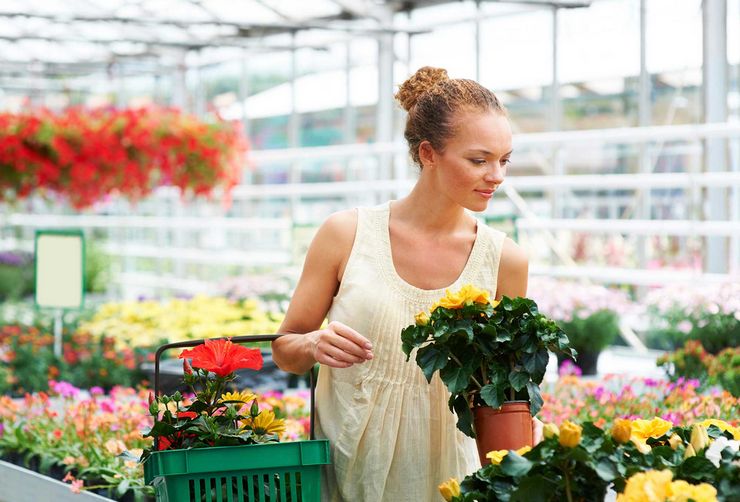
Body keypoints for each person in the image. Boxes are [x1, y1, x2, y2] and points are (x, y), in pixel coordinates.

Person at [272, 66, 533, 501]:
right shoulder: (346, 235)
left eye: (504, 160)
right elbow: (286, 349)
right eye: (479, 160)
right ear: (428, 154)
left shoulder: (504, 259)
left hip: (454, 476)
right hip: (351, 469)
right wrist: (313, 344)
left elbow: (508, 391)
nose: (497, 176)